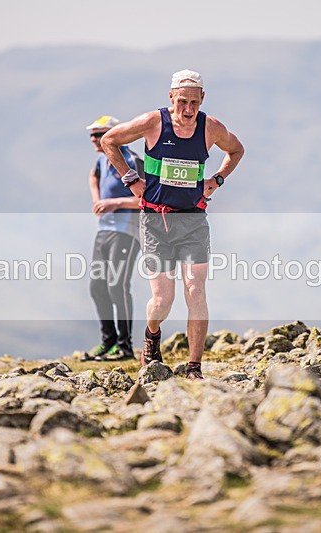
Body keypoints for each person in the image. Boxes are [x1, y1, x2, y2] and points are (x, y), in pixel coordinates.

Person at [101, 69, 244, 379]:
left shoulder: (211, 128)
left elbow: (236, 150)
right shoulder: (154, 122)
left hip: (193, 220)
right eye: (182, 102)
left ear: (202, 99)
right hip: (155, 221)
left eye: (194, 102)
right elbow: (110, 140)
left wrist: (216, 180)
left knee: (195, 290)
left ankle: (195, 367)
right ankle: (152, 335)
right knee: (163, 300)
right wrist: (131, 179)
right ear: (171, 98)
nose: (188, 110)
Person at [81, 115, 143, 361]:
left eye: (99, 134)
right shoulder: (100, 160)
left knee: (117, 286)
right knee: (97, 287)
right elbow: (93, 176)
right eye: (92, 135)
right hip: (104, 232)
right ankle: (107, 342)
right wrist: (97, 200)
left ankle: (125, 346)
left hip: (127, 232)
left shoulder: (131, 160)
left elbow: (145, 200)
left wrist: (114, 203)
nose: (94, 139)